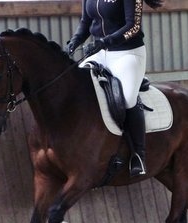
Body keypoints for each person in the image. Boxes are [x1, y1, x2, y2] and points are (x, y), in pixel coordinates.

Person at [66, 0, 164, 177]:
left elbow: (133, 27)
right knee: (77, 88)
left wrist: (105, 41)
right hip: (99, 53)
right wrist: (74, 41)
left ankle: (138, 155)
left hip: (127, 53)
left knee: (127, 99)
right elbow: (85, 22)